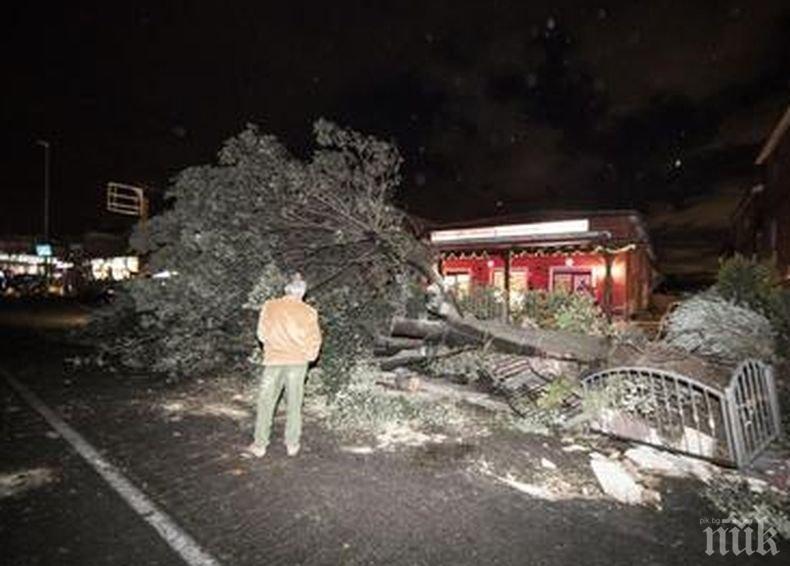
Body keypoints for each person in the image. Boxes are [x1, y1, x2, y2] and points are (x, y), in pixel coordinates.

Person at [246, 274, 322, 458]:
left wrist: (274, 346)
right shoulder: (309, 311)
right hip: (297, 363)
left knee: (265, 402)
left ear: (286, 290)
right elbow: (315, 340)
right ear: (302, 293)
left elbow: (262, 335)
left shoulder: (269, 306)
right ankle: (292, 444)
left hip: (273, 361)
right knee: (294, 403)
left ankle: (260, 445)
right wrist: (308, 357)